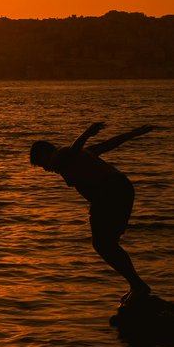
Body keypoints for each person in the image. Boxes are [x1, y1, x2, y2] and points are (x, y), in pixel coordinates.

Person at [30, 121, 154, 299]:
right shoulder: (80, 155)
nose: (45, 169)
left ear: (43, 154)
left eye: (40, 164)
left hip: (110, 192)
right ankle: (137, 285)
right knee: (108, 243)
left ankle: (138, 285)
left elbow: (74, 150)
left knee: (103, 244)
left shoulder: (58, 156)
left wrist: (87, 132)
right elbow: (109, 144)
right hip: (122, 189)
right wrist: (134, 133)